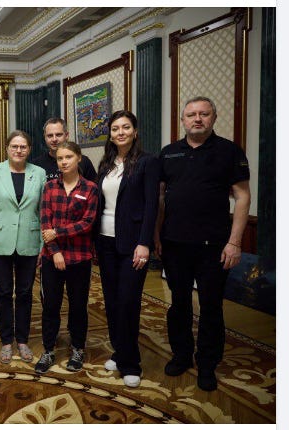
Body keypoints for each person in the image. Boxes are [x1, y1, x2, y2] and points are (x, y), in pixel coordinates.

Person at [155, 96, 251, 392]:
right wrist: (156, 236)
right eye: (191, 115)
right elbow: (160, 198)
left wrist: (235, 242)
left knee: (211, 306)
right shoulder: (169, 153)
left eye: (204, 114)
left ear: (213, 117)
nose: (197, 119)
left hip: (215, 246)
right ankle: (181, 355)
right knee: (179, 303)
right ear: (182, 120)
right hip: (174, 244)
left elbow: (243, 197)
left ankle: (207, 363)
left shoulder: (229, 151)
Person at [94, 111, 159, 387]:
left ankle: (131, 363)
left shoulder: (147, 162)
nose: (120, 132)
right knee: (111, 301)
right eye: (115, 128)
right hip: (105, 241)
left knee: (128, 302)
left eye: (125, 127)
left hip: (132, 244)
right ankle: (120, 353)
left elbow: (151, 205)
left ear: (135, 131)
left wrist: (144, 243)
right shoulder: (106, 163)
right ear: (110, 134)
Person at [0, 130, 46, 364]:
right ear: (7, 148)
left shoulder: (39, 173)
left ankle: (22, 340)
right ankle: (6, 340)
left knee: (25, 293)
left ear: (29, 149)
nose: (18, 150)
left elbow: (43, 212)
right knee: (4, 293)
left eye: (23, 146)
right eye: (14, 146)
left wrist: (42, 246)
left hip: (29, 241)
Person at [34, 141, 99, 374]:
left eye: (68, 157)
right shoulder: (49, 187)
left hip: (80, 257)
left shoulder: (90, 188)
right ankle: (48, 349)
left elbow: (87, 223)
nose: (64, 162)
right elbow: (45, 222)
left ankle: (78, 348)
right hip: (52, 257)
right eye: (60, 158)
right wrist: (56, 251)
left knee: (78, 306)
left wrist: (58, 232)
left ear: (79, 158)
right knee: (50, 305)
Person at [32, 117, 97, 182]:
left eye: (58, 135)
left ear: (66, 136)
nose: (54, 139)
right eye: (50, 136)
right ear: (45, 138)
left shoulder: (82, 161)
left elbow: (94, 187)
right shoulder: (36, 165)